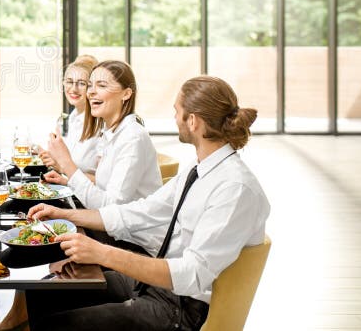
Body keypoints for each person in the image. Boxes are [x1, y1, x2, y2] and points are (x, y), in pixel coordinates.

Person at [24, 75, 271, 331]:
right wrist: (66, 215)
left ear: (193, 121)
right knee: (43, 292)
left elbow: (192, 274)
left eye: (177, 111)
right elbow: (139, 212)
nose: (175, 118)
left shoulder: (234, 188)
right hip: (158, 287)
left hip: (182, 308)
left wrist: (102, 253)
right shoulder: (198, 170)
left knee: (59, 324)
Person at [41, 60, 162, 209]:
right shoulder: (111, 132)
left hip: (130, 231)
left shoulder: (132, 138)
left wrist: (65, 163)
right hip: (111, 225)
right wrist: (67, 180)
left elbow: (110, 209)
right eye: (90, 85)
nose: (90, 92)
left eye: (102, 85)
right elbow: (104, 188)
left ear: (126, 94)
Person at [56, 54, 100, 175]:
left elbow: (104, 182)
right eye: (69, 82)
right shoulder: (74, 117)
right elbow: (73, 163)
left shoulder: (101, 122)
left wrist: (61, 167)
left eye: (81, 83)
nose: (74, 89)